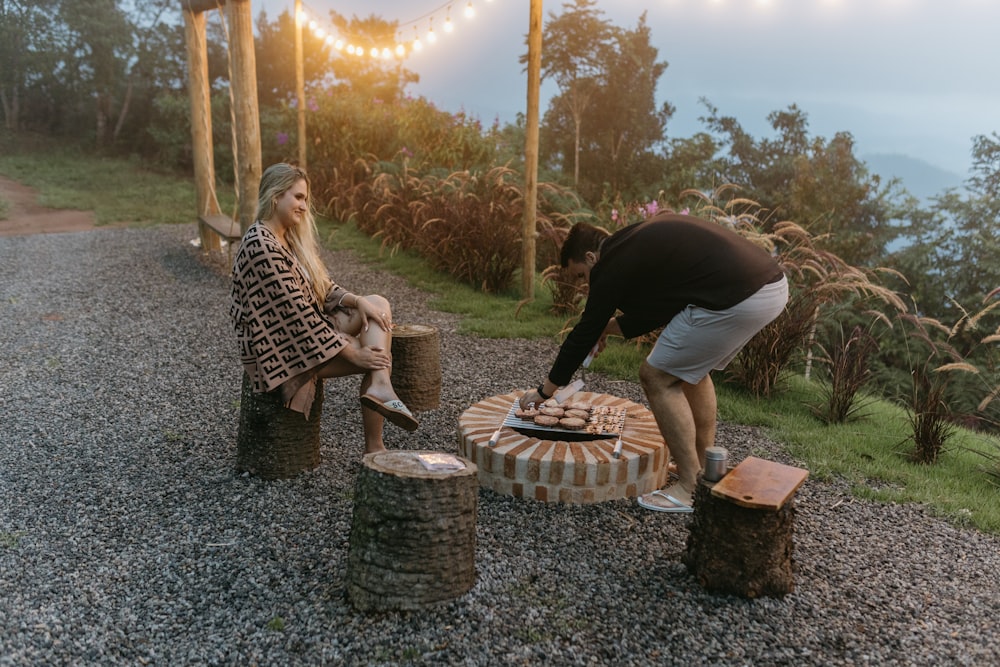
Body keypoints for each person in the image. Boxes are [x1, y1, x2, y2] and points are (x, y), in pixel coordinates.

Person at [520, 212, 787, 512]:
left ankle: (689, 487)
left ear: (592, 257)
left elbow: (582, 332)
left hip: (738, 295)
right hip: (770, 286)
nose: (585, 285)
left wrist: (545, 392)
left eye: (581, 275)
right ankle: (702, 469)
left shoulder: (610, 264)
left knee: (656, 376)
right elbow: (655, 312)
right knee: (690, 373)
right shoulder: (630, 246)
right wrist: (605, 328)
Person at [230, 163, 418, 455]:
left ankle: (380, 386)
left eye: (305, 199)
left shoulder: (287, 238)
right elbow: (299, 317)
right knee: (375, 353)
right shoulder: (262, 245)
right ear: (276, 196)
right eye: (298, 197)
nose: (304, 206)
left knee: (378, 304)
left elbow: (324, 288)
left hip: (307, 333)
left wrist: (358, 301)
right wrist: (354, 353)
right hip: (283, 351)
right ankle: (375, 444)